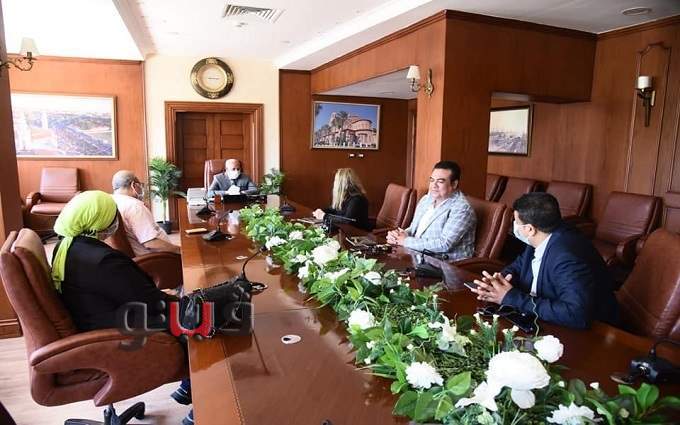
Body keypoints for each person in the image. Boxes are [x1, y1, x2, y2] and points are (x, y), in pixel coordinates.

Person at [51, 191, 192, 423]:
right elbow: (151, 303)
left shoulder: (66, 247)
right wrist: (180, 300)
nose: (116, 222)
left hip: (95, 321)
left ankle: (188, 387)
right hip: (118, 331)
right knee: (205, 322)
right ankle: (204, 407)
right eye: (112, 216)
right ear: (99, 220)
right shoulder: (101, 260)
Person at [471, 192, 619, 329]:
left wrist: (511, 297)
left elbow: (576, 314)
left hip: (593, 333)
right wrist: (497, 284)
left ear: (530, 229)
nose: (514, 226)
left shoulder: (566, 257)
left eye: (515, 221)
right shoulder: (542, 235)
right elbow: (518, 266)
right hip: (543, 319)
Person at [386, 161, 476, 261]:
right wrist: (398, 236)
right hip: (417, 256)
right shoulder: (426, 200)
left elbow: (444, 244)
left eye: (440, 181)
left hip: (443, 263)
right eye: (432, 180)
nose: (434, 185)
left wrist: (405, 241)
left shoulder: (462, 209)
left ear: (454, 184)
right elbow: (414, 229)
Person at [111, 170, 180, 256]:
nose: (141, 188)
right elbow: (151, 244)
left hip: (139, 258)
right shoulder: (134, 207)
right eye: (140, 185)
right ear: (134, 185)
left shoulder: (112, 201)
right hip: (157, 258)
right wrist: (179, 250)